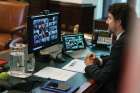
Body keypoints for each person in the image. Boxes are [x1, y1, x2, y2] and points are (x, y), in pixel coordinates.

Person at [84, 3, 133, 93]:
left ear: (118, 22)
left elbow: (103, 77)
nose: (106, 21)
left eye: (109, 18)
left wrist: (89, 65)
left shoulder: (121, 43)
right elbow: (116, 59)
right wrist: (99, 60)